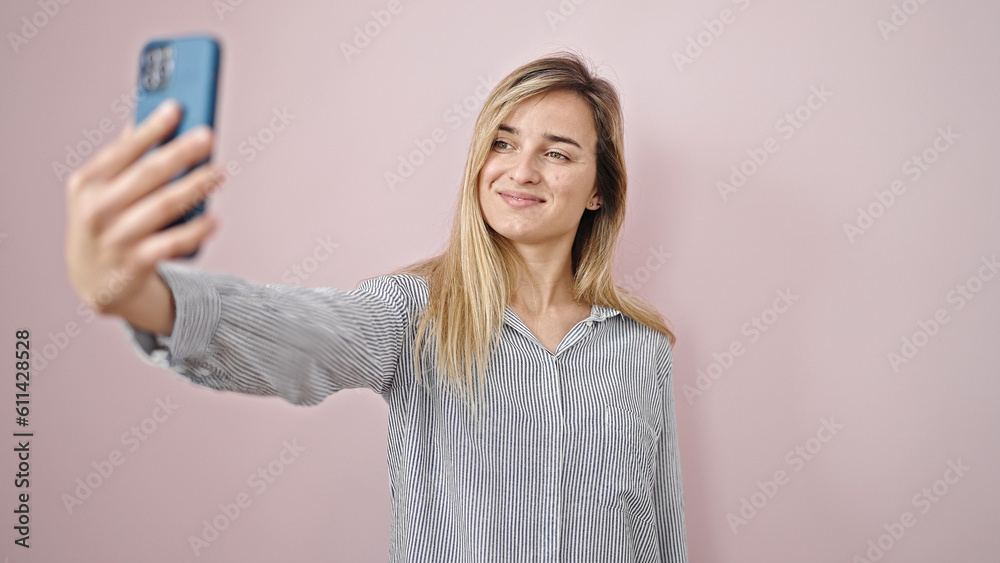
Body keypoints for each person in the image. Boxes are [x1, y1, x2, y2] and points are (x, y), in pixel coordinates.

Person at [64, 50, 689, 562]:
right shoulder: (415, 312)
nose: (520, 171)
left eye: (556, 152)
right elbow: (309, 334)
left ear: (599, 190)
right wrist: (141, 296)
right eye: (502, 143)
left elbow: (660, 531)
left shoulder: (641, 346)